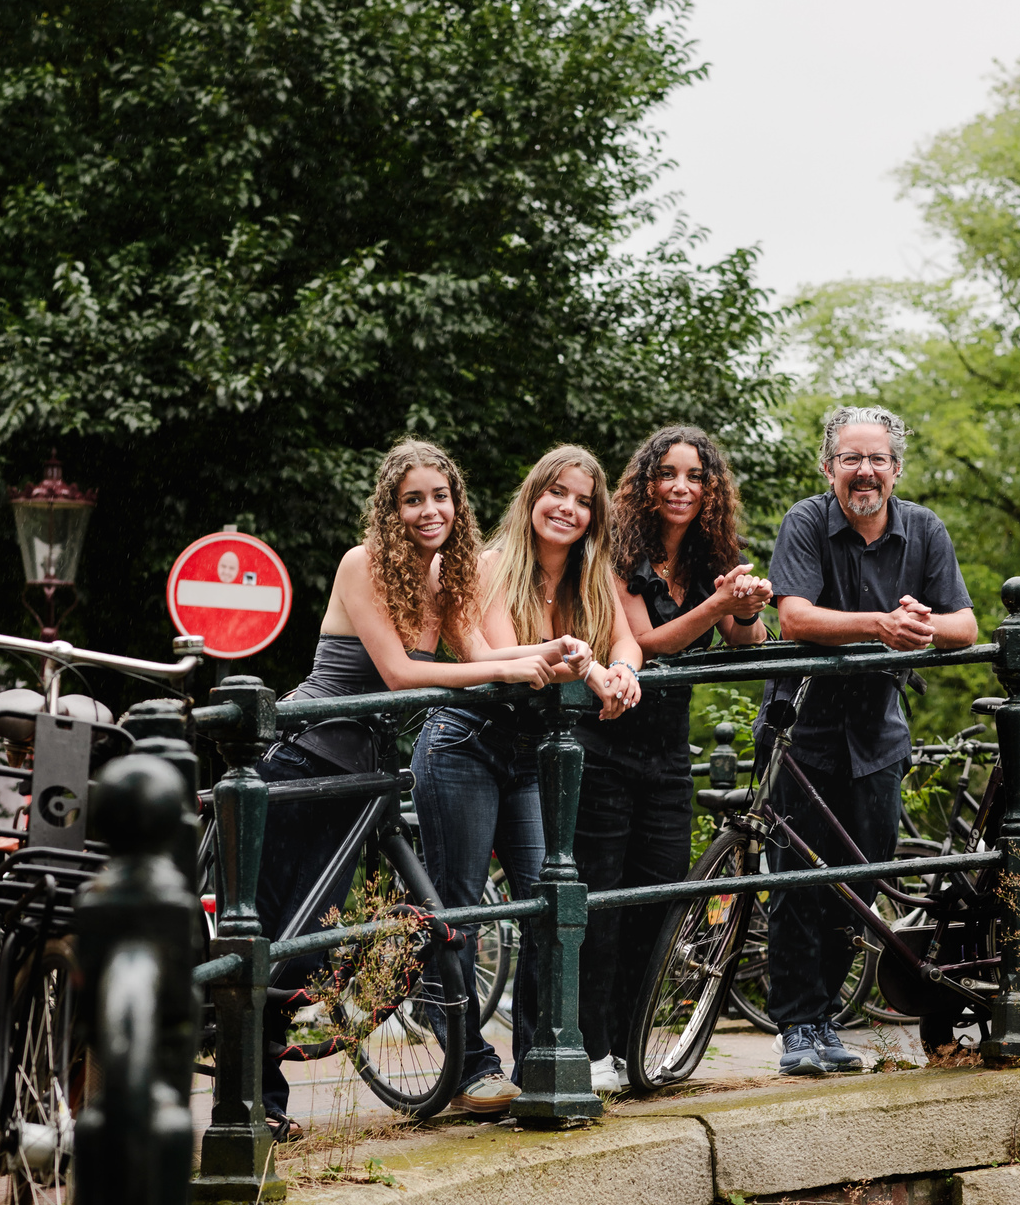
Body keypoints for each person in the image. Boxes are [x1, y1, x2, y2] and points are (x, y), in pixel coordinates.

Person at [255, 437, 575, 1137]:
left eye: (441, 496)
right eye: (413, 499)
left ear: (457, 503)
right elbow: (401, 675)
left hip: (366, 777)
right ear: (391, 509)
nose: (430, 511)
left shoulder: (447, 578)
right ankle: (258, 1104)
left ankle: (460, 1059)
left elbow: (487, 655)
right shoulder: (360, 565)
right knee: (285, 938)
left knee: (318, 944)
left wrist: (548, 653)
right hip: (305, 765)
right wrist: (507, 674)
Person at [414, 445, 643, 1096]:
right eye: (557, 493)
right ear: (532, 495)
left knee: (550, 905)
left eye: (582, 500)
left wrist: (622, 669)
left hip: (525, 759)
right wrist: (583, 660)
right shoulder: (489, 566)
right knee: (458, 908)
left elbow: (626, 638)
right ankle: (467, 1063)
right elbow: (495, 653)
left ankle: (537, 1064)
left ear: (595, 516)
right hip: (463, 745)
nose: (568, 508)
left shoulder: (589, 576)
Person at [759, 404, 977, 1077]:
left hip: (879, 734)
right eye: (850, 459)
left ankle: (826, 1017)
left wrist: (920, 627)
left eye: (876, 459)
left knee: (864, 879)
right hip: (806, 730)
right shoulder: (804, 522)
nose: (864, 471)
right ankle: (799, 1023)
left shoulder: (924, 529)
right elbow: (793, 617)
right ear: (829, 468)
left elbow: (965, 624)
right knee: (799, 882)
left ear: (896, 469)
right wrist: (878, 625)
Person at [571, 426, 771, 1090]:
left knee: (660, 904)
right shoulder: (617, 548)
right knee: (601, 904)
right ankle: (590, 1049)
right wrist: (717, 603)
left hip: (667, 755)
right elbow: (649, 642)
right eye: (668, 474)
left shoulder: (714, 551)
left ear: (710, 489)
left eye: (695, 476)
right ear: (647, 483)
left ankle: (633, 1050)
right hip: (603, 741)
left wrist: (745, 608)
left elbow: (745, 640)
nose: (681, 487)